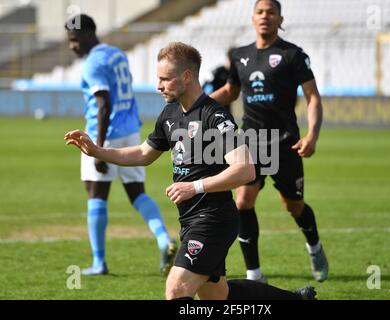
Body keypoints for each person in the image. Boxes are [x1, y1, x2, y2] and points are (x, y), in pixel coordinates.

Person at [65, 41, 317, 300]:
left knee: (176, 290)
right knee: (219, 297)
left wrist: (194, 186)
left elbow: (245, 170)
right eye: (158, 79)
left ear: (187, 76)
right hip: (190, 219)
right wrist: (97, 150)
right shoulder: (170, 114)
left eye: (165, 79)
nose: (158, 86)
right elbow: (142, 153)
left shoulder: (214, 116)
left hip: (214, 220)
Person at [210, 0, 328, 283]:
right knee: (244, 201)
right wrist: (193, 105)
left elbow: (313, 97)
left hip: (285, 143)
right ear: (253, 18)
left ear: (280, 18)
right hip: (251, 139)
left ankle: (314, 246)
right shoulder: (240, 56)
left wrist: (312, 134)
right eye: (260, 12)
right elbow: (230, 91)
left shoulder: (292, 55)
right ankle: (255, 275)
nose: (265, 17)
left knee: (293, 206)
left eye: (271, 12)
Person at [65, 14, 176, 276]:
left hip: (104, 133)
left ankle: (98, 262)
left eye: (74, 39)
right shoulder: (116, 54)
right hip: (130, 131)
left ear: (88, 33)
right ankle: (163, 239)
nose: (72, 45)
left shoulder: (92, 64)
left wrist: (98, 150)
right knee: (137, 192)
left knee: (96, 195)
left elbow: (103, 105)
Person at [202, 48, 234, 114]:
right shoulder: (218, 71)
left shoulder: (233, 73)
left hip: (226, 105)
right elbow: (206, 87)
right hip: (214, 106)